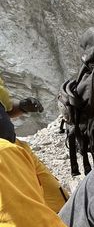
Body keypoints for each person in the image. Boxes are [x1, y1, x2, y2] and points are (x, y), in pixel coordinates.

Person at [0, 75, 68, 212]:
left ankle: (70, 225)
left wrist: (22, 106)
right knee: (26, 208)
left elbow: (6, 109)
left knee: (54, 193)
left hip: (18, 148)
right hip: (3, 160)